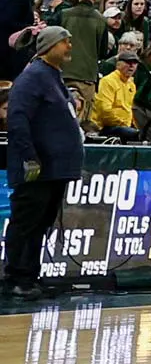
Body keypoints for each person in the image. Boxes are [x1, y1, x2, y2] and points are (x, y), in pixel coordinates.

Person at [4, 27, 80, 299]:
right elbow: (17, 119)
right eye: (65, 42)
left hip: (55, 169)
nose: (70, 46)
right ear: (50, 45)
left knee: (40, 224)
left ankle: (29, 276)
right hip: (37, 168)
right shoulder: (32, 77)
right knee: (25, 222)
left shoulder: (53, 77)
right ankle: (14, 277)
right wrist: (28, 157)